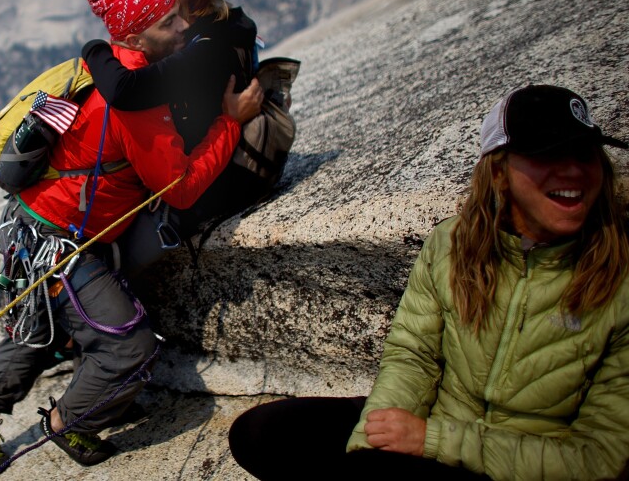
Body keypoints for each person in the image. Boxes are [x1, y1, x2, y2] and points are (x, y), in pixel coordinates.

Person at [227, 84, 629, 480]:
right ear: (500, 171)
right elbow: (413, 352)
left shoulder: (620, 280)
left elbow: (600, 456)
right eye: (548, 153)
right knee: (260, 433)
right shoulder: (453, 243)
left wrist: (434, 440)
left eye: (584, 153)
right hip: (436, 422)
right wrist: (373, 441)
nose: (574, 169)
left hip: (518, 462)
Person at [0, 0, 263, 473]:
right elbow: (182, 186)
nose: (183, 28)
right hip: (63, 243)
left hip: (34, 225)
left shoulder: (103, 67)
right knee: (128, 345)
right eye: (169, 23)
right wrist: (230, 120)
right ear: (133, 37)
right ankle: (62, 423)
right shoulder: (136, 106)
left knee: (32, 327)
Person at [81, 0, 288, 274]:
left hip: (237, 171)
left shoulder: (202, 50)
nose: (162, 12)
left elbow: (124, 91)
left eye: (166, 6)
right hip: (244, 153)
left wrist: (95, 47)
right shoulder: (227, 20)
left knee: (133, 238)